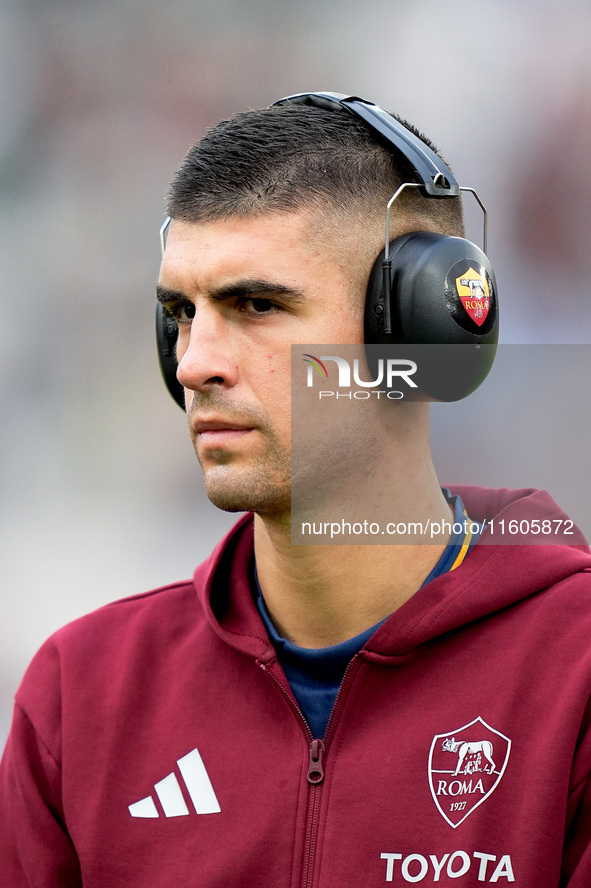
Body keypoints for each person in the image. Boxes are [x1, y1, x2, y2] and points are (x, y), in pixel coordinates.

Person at [1, 92, 591, 888]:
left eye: (256, 304)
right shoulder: (86, 691)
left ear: (418, 331)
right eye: (180, 312)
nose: (192, 362)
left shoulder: (574, 671)